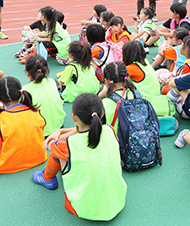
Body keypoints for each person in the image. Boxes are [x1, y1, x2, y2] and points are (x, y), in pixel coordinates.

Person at [33, 93, 127, 221]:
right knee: (64, 151)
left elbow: (47, 144)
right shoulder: (110, 130)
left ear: (74, 117)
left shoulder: (66, 145)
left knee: (57, 153)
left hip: (83, 209)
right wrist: (62, 132)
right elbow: (88, 131)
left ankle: (47, 178)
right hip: (117, 201)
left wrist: (58, 132)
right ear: (102, 114)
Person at [22, 56, 66, 137]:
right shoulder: (54, 82)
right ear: (47, 71)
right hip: (58, 127)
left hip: (39, 131)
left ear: (28, 74)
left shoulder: (24, 90)